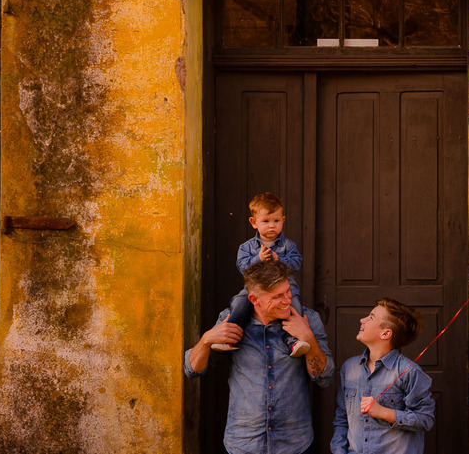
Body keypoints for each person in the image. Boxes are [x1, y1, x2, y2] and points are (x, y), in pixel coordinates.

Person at [186, 260, 334, 454]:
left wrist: (308, 338)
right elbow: (192, 370)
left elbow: (325, 378)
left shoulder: (308, 320)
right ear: (254, 300)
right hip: (244, 444)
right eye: (277, 296)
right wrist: (206, 340)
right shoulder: (231, 320)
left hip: (294, 445)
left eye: (287, 292)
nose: (287, 301)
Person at [331, 298, 435, 454]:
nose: (362, 320)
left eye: (371, 317)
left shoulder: (409, 371)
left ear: (386, 333)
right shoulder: (349, 367)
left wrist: (384, 412)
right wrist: (339, 451)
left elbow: (425, 419)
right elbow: (342, 418)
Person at [218, 192, 309, 357]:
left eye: (276, 221)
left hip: (285, 288)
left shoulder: (288, 246)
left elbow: (296, 263)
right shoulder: (247, 247)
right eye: (266, 221)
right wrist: (257, 259)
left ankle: (294, 341)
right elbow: (242, 267)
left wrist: (279, 259)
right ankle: (231, 338)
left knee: (294, 307)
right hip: (256, 289)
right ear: (254, 223)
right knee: (238, 303)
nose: (271, 225)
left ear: (283, 220)